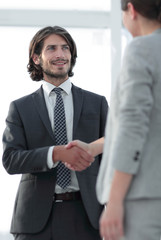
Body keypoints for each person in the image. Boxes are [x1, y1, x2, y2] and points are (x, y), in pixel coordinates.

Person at [2, 26, 108, 240]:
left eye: (65, 48)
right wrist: (55, 153)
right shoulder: (20, 108)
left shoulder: (97, 103)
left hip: (87, 215)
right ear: (36, 58)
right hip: (35, 220)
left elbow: (114, 155)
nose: (60, 54)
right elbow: (11, 160)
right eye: (51, 48)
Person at [67, 1, 161, 239]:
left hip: (145, 197)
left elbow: (132, 127)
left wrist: (116, 200)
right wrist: (93, 147)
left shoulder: (142, 49)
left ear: (131, 10)